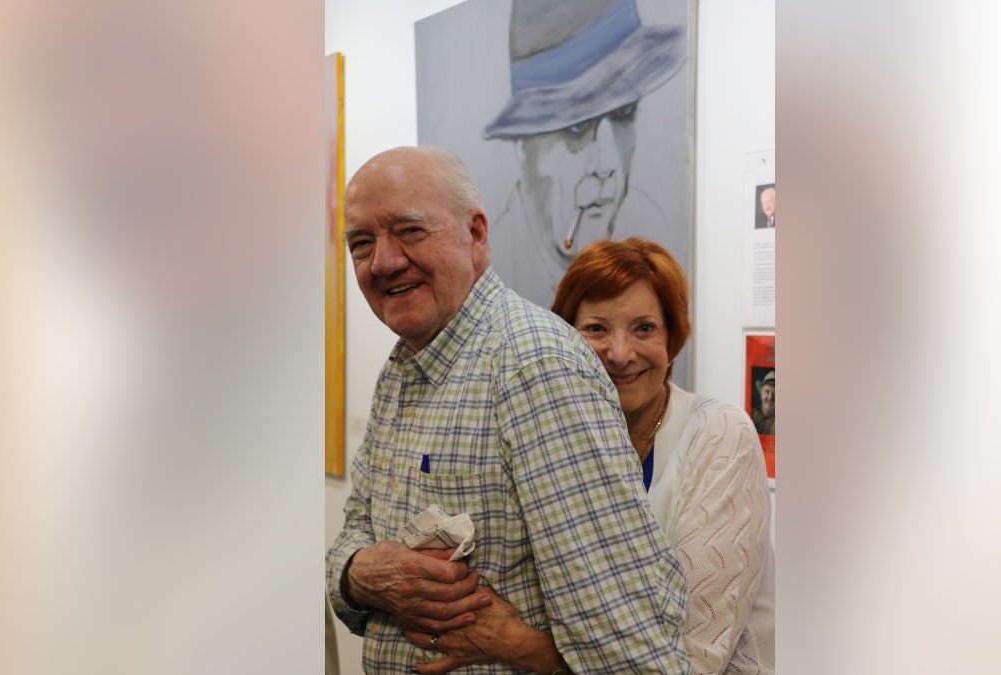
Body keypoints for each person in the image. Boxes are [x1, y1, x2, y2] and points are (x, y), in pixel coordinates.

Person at [325, 147, 692, 674]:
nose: (383, 261)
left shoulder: (533, 365)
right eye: (362, 243)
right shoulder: (405, 366)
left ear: (475, 235)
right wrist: (358, 573)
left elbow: (632, 651)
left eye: (409, 231)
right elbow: (355, 527)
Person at [412, 237, 776, 675]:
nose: (620, 355)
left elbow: (687, 659)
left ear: (673, 339)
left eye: (644, 328)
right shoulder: (553, 433)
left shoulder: (720, 435)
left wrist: (520, 646)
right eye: (597, 329)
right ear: (564, 338)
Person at [482, 0, 687, 307]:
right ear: (524, 146)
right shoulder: (488, 278)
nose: (607, 164)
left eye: (623, 114)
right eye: (576, 129)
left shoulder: (659, 239)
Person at [751, 371, 775, 435]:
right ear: (761, 393)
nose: (770, 397)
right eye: (767, 391)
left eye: (775, 393)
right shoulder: (751, 414)